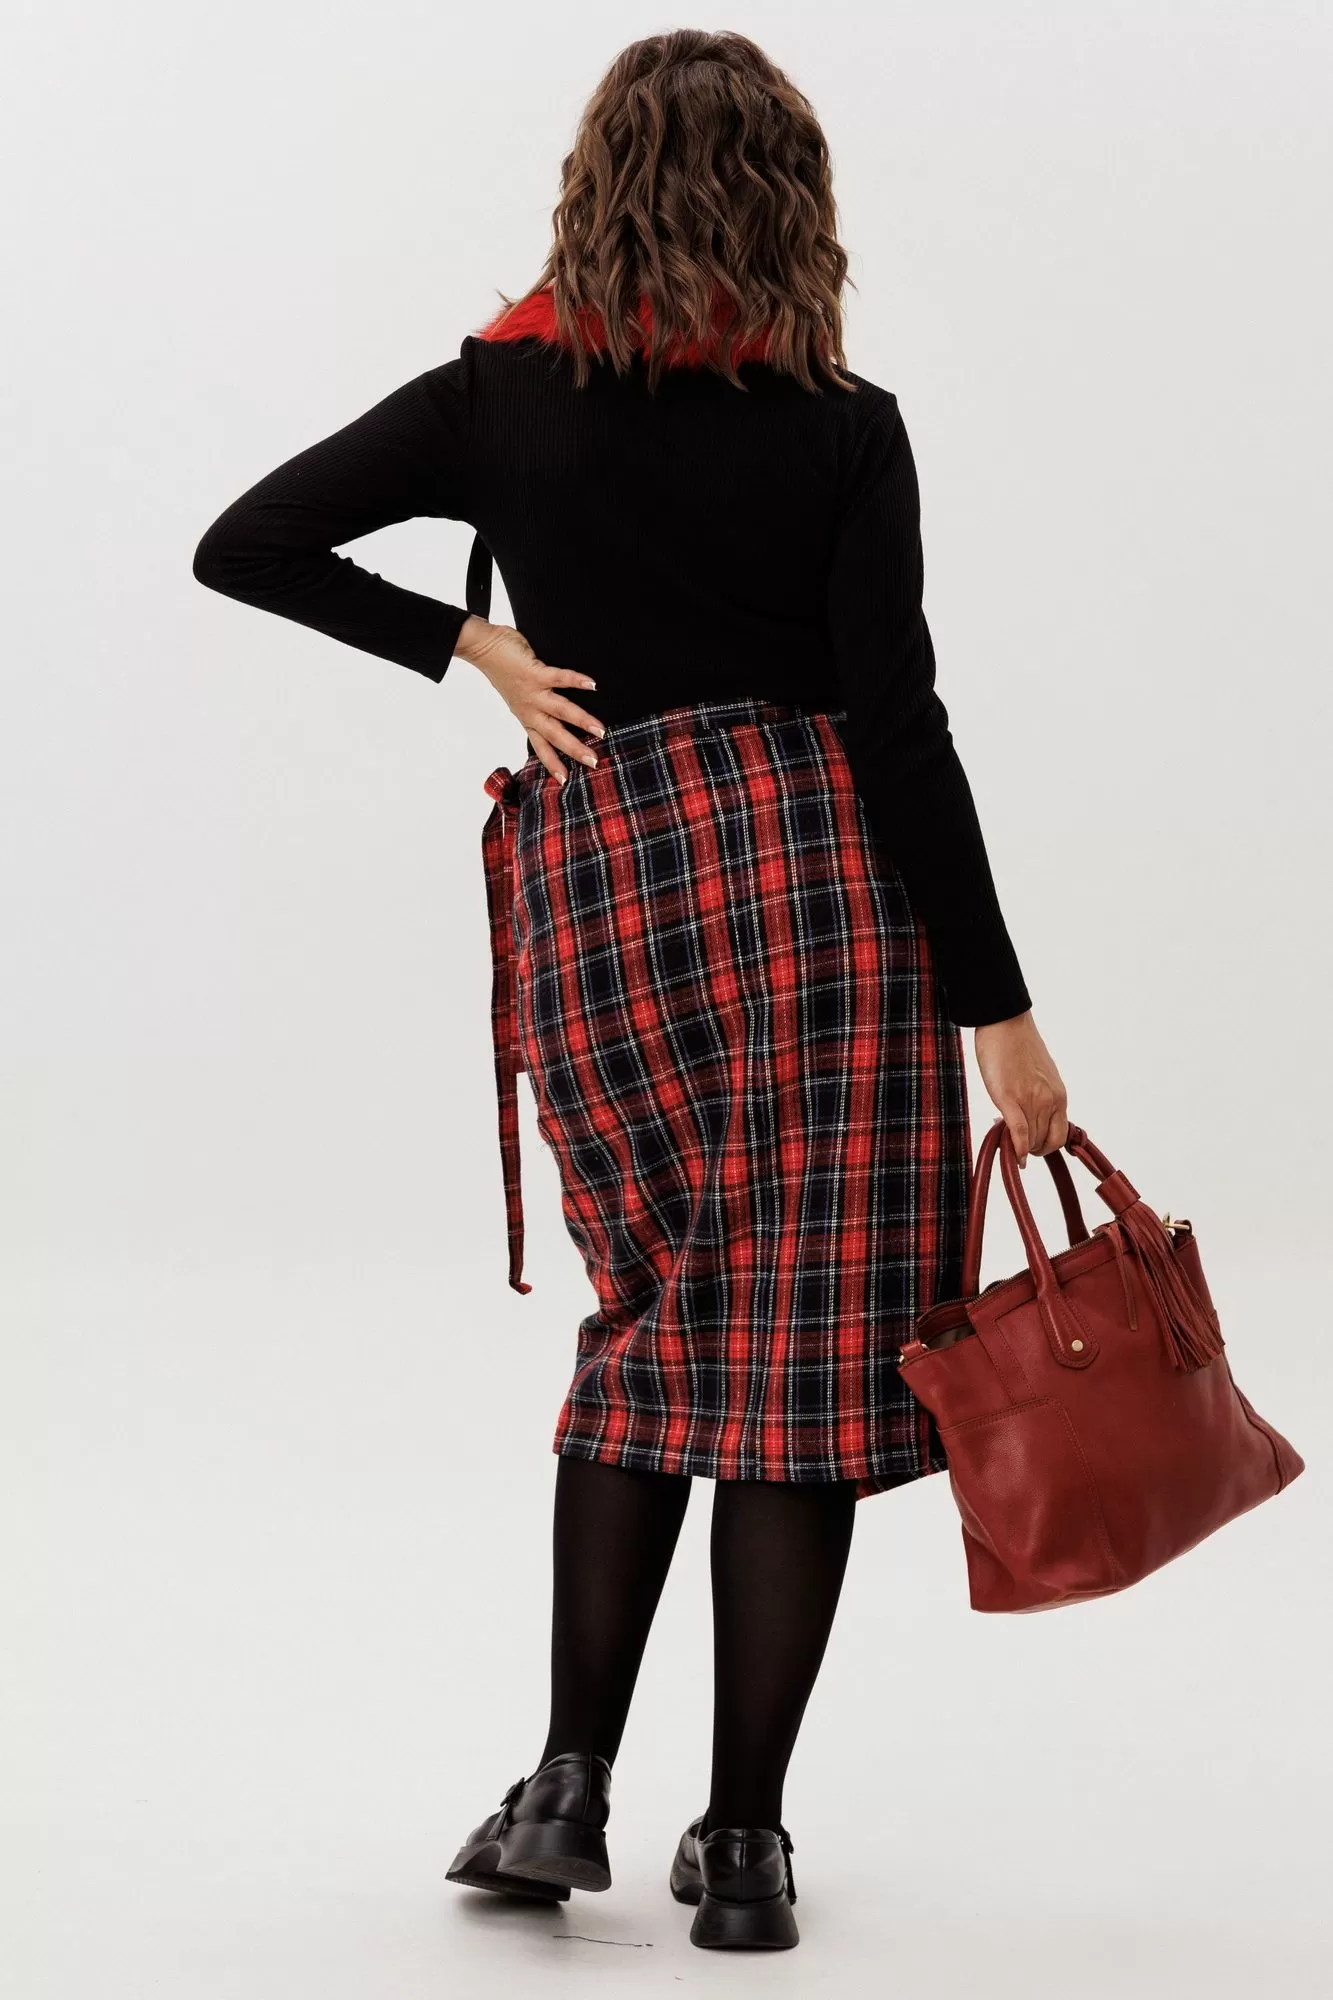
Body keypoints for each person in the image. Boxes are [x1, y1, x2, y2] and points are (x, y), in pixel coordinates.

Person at [192, 27, 1069, 1954]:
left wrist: (470, 644)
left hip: (613, 902)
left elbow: (243, 543)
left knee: (657, 1322)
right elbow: (899, 723)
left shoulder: (499, 394)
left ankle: (565, 1787)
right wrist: (1000, 1010)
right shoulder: (844, 423)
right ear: (792, 204)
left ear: (596, 187)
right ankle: (742, 1848)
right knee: (802, 1360)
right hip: (832, 905)